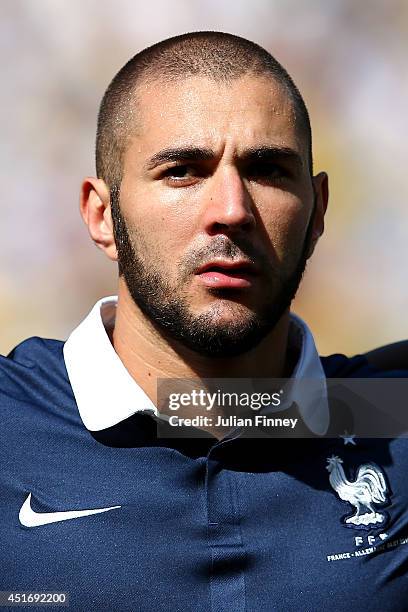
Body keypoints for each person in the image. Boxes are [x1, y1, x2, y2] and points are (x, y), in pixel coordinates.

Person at [1, 31, 407, 612]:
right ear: (101, 215)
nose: (232, 210)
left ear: (317, 211)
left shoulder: (392, 414)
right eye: (183, 172)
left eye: (267, 170)